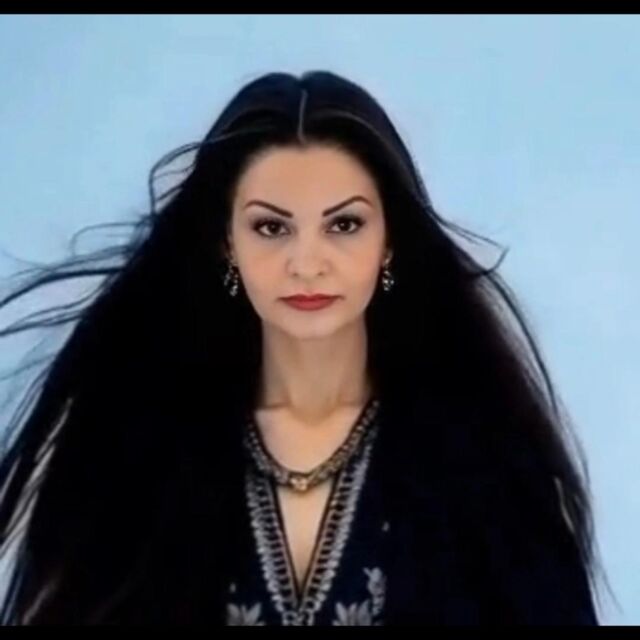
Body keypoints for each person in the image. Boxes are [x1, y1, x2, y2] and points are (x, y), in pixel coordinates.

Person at [0, 70, 606, 625]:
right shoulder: (143, 454)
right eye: (271, 227)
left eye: (344, 224)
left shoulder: (482, 460)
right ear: (227, 245)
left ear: (388, 243)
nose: (307, 262)